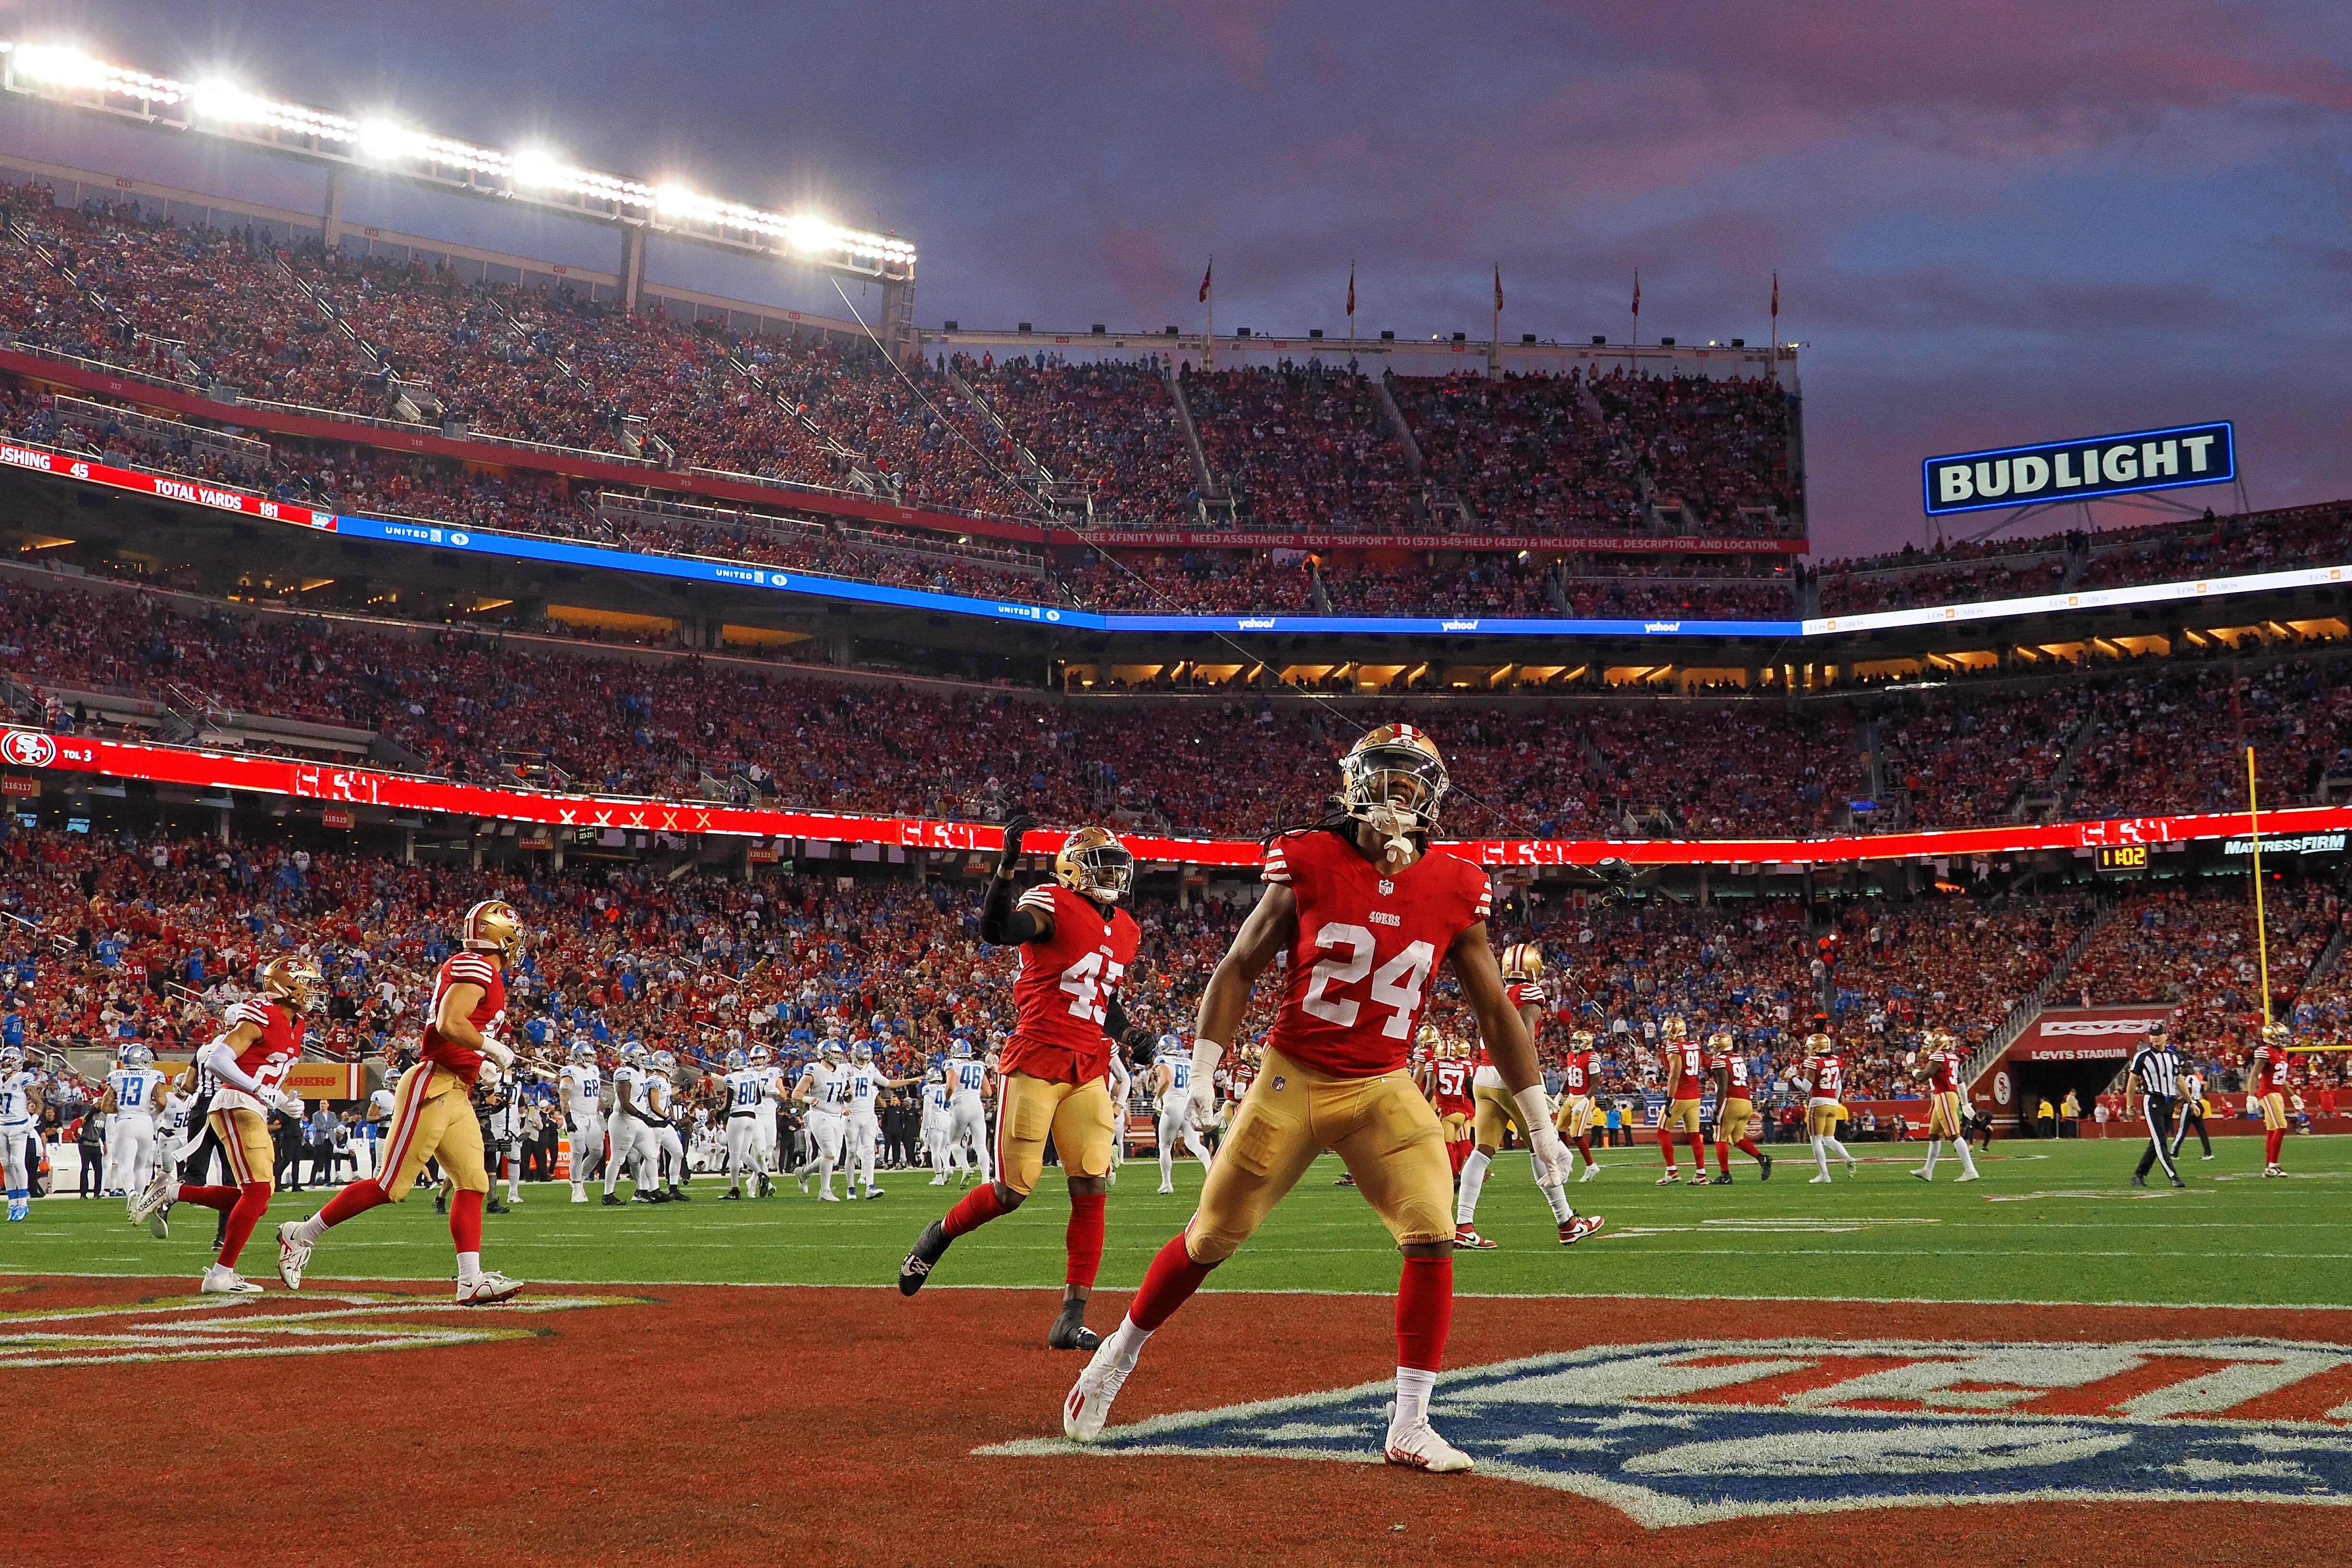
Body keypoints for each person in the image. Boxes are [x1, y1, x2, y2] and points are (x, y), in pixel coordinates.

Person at [1059, 725, 1600, 1471]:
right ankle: (1116, 1356)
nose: (1398, 793)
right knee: (1211, 1237)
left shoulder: (1454, 880)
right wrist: (1207, 1067)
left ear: (1434, 796)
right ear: (1354, 782)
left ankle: (1410, 1421)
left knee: (1432, 1229)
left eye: (1413, 781)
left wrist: (1539, 1120)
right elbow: (1240, 964)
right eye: (1386, 776)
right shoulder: (1308, 856)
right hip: (1293, 1075)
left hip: (1382, 1083)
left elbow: (1495, 1012)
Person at [900, 820, 1150, 1354]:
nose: (1113, 875)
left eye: (1115, 865)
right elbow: (997, 930)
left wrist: (1129, 1035)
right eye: (1101, 865)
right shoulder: (1052, 903)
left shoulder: (1126, 927)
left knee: (1091, 1187)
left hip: (1089, 1066)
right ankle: (939, 1233)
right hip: (1037, 1058)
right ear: (1073, 871)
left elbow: (1102, 995)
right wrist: (1006, 867)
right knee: (1014, 1191)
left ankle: (1071, 1316)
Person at [269, 900, 525, 1306]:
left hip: (456, 1088)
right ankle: (301, 1234)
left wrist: (482, 1063)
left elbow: (458, 1031)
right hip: (432, 1084)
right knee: (392, 1185)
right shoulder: (476, 965)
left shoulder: (485, 972)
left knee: (474, 1183)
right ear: (502, 935)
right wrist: (492, 1048)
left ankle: (470, 1280)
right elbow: (450, 1023)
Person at [129, 960, 316, 1291]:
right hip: (236, 1104)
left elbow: (263, 1071)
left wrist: (284, 1101)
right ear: (288, 985)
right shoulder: (263, 1012)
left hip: (251, 1106)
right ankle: (219, 1275)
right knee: (257, 1192)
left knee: (257, 1199)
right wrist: (260, 1090)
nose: (314, 991)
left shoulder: (296, 1024)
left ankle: (171, 1191)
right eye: (307, 983)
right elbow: (218, 1059)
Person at [1455, 943, 1588, 1245]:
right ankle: (1567, 1222)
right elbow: (1524, 1040)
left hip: (1484, 1075)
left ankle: (1463, 1225)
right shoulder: (1530, 993)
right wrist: (1532, 1083)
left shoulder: (1496, 991)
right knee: (1542, 1147)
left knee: (1482, 1150)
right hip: (1511, 1077)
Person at [843, 1041, 920, 1200]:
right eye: (861, 1059)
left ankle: (870, 1186)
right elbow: (838, 1090)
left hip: (869, 1115)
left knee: (869, 1150)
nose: (864, 1062)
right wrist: (843, 1100)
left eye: (866, 1059)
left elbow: (888, 1083)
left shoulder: (871, 1068)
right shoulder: (846, 1069)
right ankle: (851, 1187)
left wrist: (910, 1081)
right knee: (851, 1152)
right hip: (852, 1115)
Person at [100, 1043, 166, 1202]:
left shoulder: (117, 1076)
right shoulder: (153, 1076)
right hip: (145, 1123)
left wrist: (124, 1109)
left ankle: (130, 1194)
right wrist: (153, 1113)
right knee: (141, 1167)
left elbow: (105, 1106)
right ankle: (140, 1202)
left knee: (126, 1165)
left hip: (125, 1122)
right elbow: (162, 1102)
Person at [1909, 1031, 1978, 1182]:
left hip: (1944, 1097)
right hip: (1947, 1097)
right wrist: (1965, 1102)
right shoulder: (1951, 1058)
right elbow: (1960, 1082)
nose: (1927, 1046)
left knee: (1953, 1134)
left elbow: (1922, 1077)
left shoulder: (1938, 1057)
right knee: (1934, 1136)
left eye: (1930, 1043)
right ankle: (1928, 1170)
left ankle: (1970, 1169)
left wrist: (1912, 1069)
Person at [2125, 1022, 2185, 1189]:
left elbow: (2179, 1081)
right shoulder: (2143, 1056)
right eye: (2152, 1035)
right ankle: (2173, 1176)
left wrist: (2191, 1101)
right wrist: (2130, 1105)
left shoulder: (2173, 1056)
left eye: (2158, 1034)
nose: (2155, 1038)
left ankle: (2139, 1175)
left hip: (2169, 1102)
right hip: (2153, 1101)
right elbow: (2132, 1081)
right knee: (2160, 1142)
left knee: (2158, 1141)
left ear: (2166, 1036)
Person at [1152, 1037, 1213, 1194]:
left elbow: (1166, 1080)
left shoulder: (1162, 1059)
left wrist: (1157, 1098)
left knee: (1165, 1146)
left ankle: (1167, 1184)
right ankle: (1211, 1175)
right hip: (1189, 1107)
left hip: (1173, 1106)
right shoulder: (1188, 1061)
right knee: (1194, 1144)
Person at [794, 1040, 854, 1199]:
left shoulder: (841, 1071)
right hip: (820, 1115)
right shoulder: (815, 1070)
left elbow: (848, 1092)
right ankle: (825, 1191)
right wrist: (809, 1099)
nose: (837, 1056)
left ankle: (804, 1173)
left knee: (833, 1159)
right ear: (825, 1053)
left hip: (837, 1116)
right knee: (829, 1153)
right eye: (834, 1053)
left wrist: (848, 1098)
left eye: (838, 1053)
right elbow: (796, 1094)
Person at [1710, 1029, 1771, 1183]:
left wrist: (1717, 1108)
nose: (1712, 1050)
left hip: (1732, 1101)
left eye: (1714, 1047)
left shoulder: (1720, 1061)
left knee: (1720, 1138)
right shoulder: (1737, 1058)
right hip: (1746, 1101)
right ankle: (1761, 1158)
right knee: (1736, 1139)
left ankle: (1725, 1175)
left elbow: (1723, 1087)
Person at [1653, 1015, 1708, 1186]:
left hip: (1680, 1095)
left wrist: (1669, 1098)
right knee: (1694, 1135)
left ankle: (1672, 1171)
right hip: (1695, 1096)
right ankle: (1701, 1174)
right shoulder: (1694, 1046)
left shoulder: (1674, 1048)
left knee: (1663, 1131)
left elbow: (1675, 1075)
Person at [1802, 1028, 1856, 1182]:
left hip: (1818, 1102)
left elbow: (1806, 1087)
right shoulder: (1834, 1060)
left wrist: (1792, 1079)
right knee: (1829, 1139)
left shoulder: (1814, 1062)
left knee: (1816, 1140)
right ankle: (1847, 1158)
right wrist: (1834, 1101)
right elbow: (1839, 1086)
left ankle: (1824, 1174)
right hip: (1833, 1103)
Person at [940, 1037, 993, 1187]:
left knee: (955, 1142)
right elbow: (988, 1092)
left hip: (961, 1106)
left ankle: (965, 1167)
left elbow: (950, 1087)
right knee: (981, 1145)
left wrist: (948, 1098)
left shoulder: (953, 1064)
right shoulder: (979, 1065)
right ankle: (985, 1180)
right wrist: (973, 1092)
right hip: (977, 1106)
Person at [1551, 1029, 1600, 1182]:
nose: (1575, 1044)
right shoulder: (1571, 1055)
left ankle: (1591, 1166)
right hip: (1571, 1097)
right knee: (1559, 1129)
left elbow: (1595, 1083)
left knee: (1577, 1134)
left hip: (1583, 1098)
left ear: (1587, 1043)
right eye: (1574, 1041)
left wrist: (1585, 1101)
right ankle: (1566, 1160)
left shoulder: (1592, 1058)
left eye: (1578, 1042)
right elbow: (1570, 1077)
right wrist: (1561, 1094)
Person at [558, 1038, 603, 1203]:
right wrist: (568, 1119)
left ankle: (580, 1179)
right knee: (578, 1153)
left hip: (593, 1116)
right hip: (577, 1116)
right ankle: (576, 1188)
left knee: (597, 1152)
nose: (590, 1058)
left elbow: (595, 1094)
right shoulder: (570, 1072)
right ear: (577, 1055)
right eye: (586, 1055)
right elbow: (564, 1098)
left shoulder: (594, 1070)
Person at [720, 1048, 765, 1198]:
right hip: (752, 1117)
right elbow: (758, 1099)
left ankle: (735, 1190)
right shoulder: (754, 1075)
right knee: (744, 1153)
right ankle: (762, 1175)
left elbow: (727, 1106)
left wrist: (719, 1111)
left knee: (734, 1156)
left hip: (737, 1117)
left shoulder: (731, 1078)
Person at [2249, 1022, 2292, 1177]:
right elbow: (2254, 1074)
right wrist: (2251, 1096)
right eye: (2280, 1036)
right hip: (2267, 1093)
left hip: (2278, 1093)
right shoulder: (2265, 1052)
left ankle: (2269, 1166)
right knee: (2282, 1126)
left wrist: (2293, 1095)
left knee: (2272, 1130)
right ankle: (2273, 1166)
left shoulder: (2283, 1052)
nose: (2284, 1039)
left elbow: (2281, 1079)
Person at [2172, 1060, 2214, 1161]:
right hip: (2198, 1103)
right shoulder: (2197, 1079)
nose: (2182, 1071)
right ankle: (2208, 1153)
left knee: (2182, 1130)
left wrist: (2177, 1101)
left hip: (2190, 1105)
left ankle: (2174, 1153)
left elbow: (2188, 1094)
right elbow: (2202, 1092)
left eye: (2183, 1069)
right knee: (2202, 1131)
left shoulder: (2189, 1079)